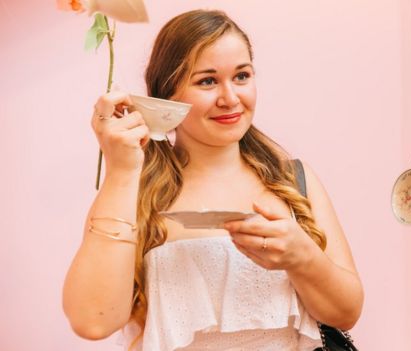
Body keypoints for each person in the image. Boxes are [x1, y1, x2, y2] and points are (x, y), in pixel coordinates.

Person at [62, 9, 364, 351]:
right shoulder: (135, 190)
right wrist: (121, 171)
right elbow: (93, 320)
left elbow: (346, 313)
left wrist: (301, 256)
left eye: (242, 76)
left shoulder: (294, 180)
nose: (230, 98)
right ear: (168, 94)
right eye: (207, 81)